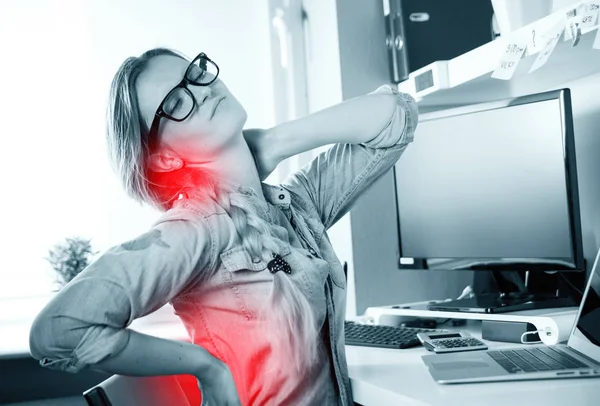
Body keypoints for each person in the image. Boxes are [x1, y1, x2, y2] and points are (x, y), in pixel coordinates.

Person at [29, 48, 418, 405]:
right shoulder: (194, 230)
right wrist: (204, 365)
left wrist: (275, 141)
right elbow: (58, 331)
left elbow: (395, 117)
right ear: (165, 160)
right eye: (176, 102)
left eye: (195, 74)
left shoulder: (297, 205)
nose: (202, 91)